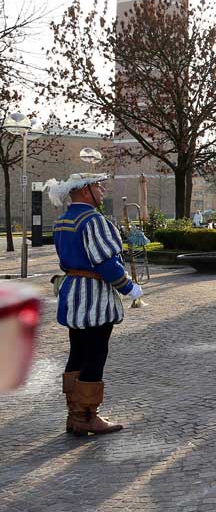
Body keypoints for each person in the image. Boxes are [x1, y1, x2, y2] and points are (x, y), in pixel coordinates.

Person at [47, 172, 140, 436]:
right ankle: (88, 416)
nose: (102, 191)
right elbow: (106, 262)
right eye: (98, 187)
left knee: (77, 352)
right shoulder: (93, 219)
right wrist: (128, 287)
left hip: (73, 294)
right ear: (85, 190)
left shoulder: (63, 220)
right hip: (94, 296)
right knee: (96, 353)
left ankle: (74, 415)